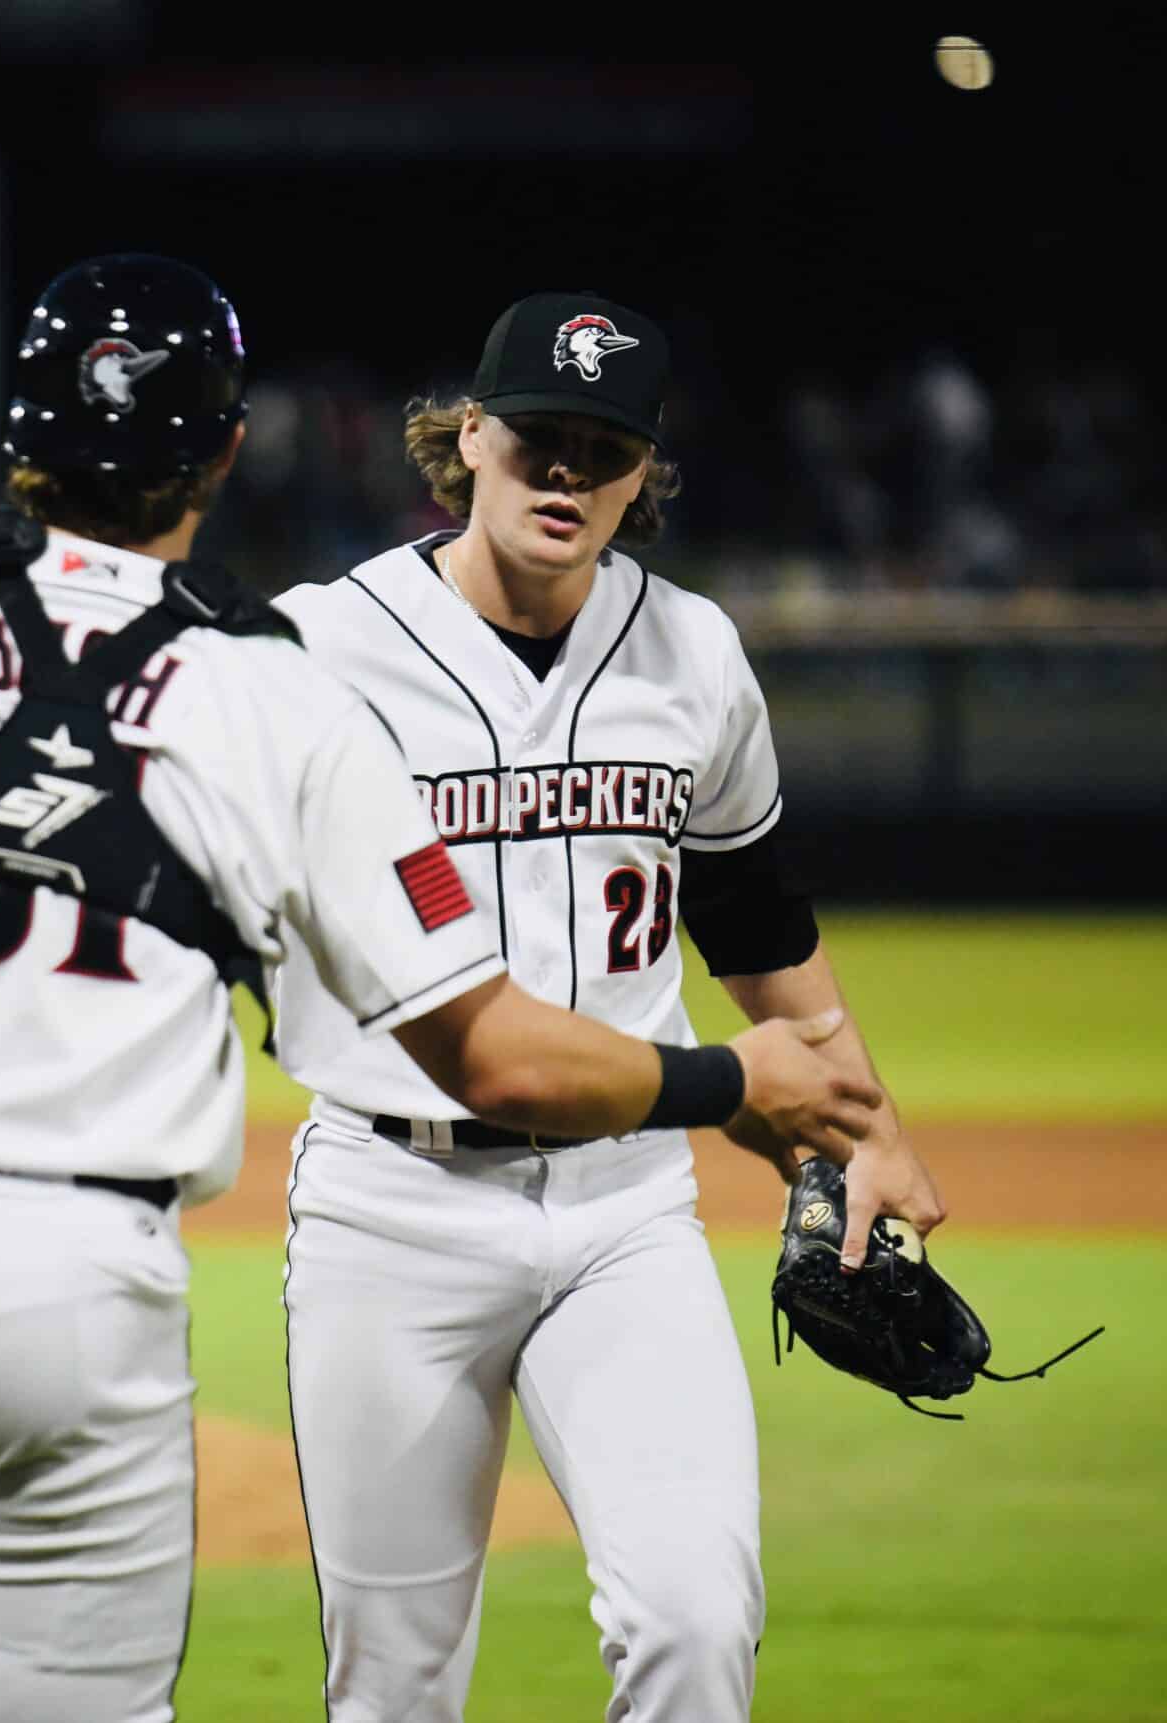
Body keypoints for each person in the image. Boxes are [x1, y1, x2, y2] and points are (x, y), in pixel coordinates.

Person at [0, 257, 880, 1723]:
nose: (567, 470)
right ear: (229, 449)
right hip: (100, 1275)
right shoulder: (274, 680)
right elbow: (489, 1050)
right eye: (534, 436)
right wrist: (737, 1082)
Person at [268, 291, 950, 1722]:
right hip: (393, 1206)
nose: (567, 474)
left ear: (646, 473)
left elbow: (761, 931)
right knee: (391, 1687)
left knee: (696, 1628)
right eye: (540, 440)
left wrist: (866, 1129)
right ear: (467, 439)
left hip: (625, 1206)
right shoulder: (322, 650)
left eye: (607, 447)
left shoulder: (692, 653)